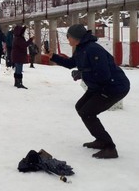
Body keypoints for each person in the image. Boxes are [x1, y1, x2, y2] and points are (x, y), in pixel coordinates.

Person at [48, 24, 130, 159]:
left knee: (87, 112)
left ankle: (109, 147)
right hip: (100, 86)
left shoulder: (92, 49)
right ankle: (101, 140)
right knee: (80, 107)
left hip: (114, 87)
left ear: (75, 37)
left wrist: (83, 73)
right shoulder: (81, 49)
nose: (67, 39)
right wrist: (53, 57)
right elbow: (71, 63)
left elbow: (104, 74)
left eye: (68, 36)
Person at [11, 25, 33, 89]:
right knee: (19, 69)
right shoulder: (18, 38)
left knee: (17, 69)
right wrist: (31, 39)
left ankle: (16, 82)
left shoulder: (16, 37)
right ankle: (19, 83)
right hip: (19, 56)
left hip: (17, 56)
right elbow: (24, 45)